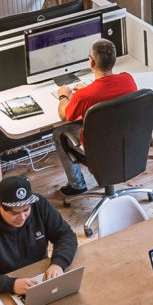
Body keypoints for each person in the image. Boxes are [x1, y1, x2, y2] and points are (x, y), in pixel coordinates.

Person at [0, 175, 77, 296]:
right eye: (14, 213)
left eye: (26, 210)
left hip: (40, 277)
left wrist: (58, 263)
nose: (22, 218)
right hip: (2, 287)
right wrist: (10, 285)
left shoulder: (39, 205)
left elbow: (65, 235)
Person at [53, 38, 136, 196]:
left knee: (58, 133)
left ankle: (77, 185)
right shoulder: (128, 80)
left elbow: (64, 115)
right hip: (125, 142)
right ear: (114, 60)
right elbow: (108, 94)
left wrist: (63, 96)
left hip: (98, 149)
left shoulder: (83, 96)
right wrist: (88, 89)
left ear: (91, 63)